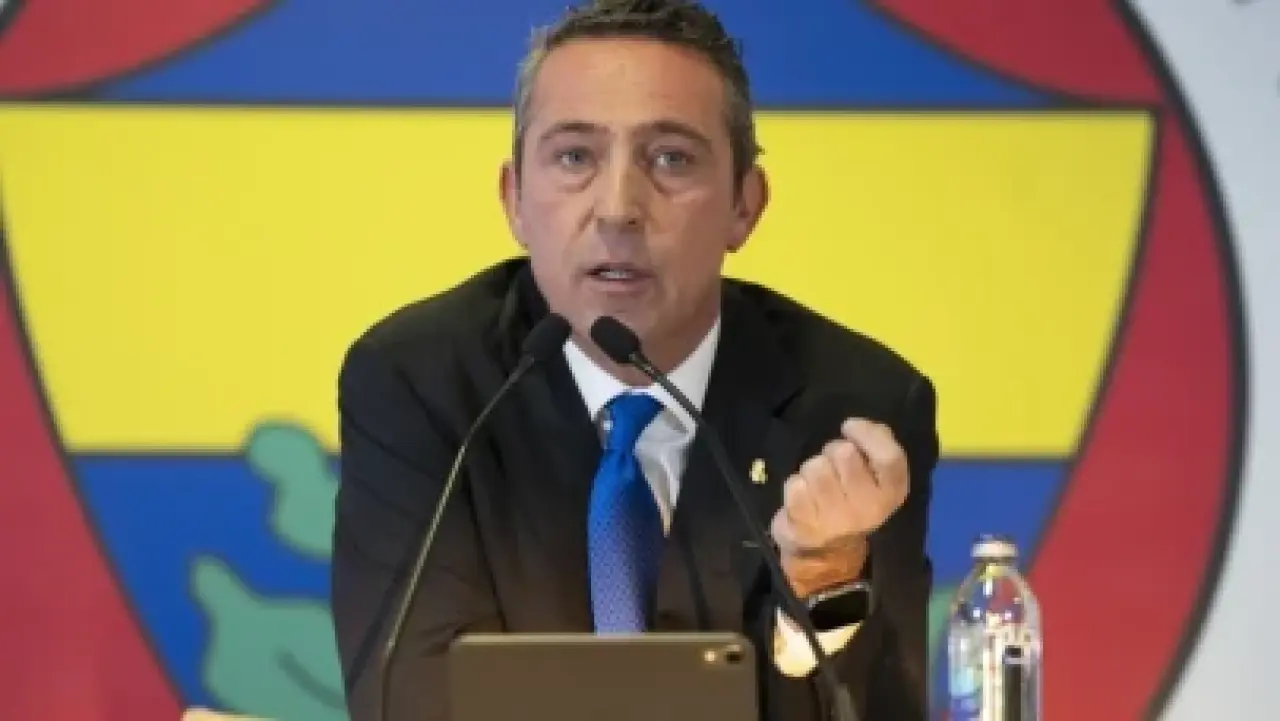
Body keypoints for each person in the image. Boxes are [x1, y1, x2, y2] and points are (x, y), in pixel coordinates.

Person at [330, 1, 940, 720]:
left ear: (744, 205)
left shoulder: (852, 408)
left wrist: (824, 575)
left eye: (670, 158)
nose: (618, 207)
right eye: (575, 157)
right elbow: (413, 698)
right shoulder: (421, 385)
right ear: (514, 199)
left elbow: (873, 709)